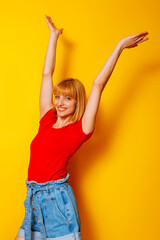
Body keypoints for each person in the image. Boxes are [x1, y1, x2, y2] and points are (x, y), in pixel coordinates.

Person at [14, 15, 149, 240]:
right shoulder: (46, 120)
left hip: (57, 201)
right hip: (33, 198)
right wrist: (53, 37)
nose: (59, 102)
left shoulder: (80, 130)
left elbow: (98, 84)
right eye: (58, 97)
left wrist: (119, 47)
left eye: (67, 99)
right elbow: (47, 74)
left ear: (78, 102)